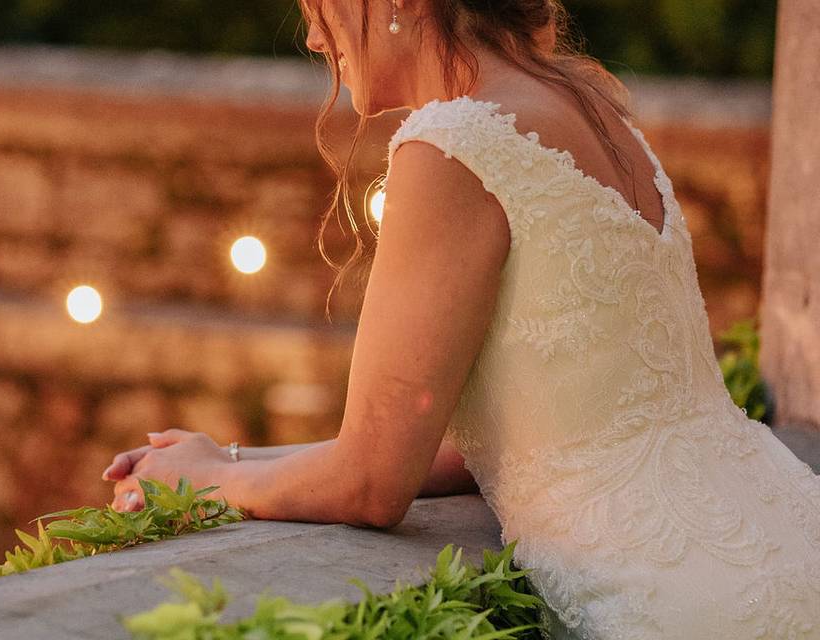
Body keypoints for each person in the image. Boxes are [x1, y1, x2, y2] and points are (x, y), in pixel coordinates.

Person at [101, 1, 820, 637]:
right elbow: (539, 434)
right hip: (787, 542)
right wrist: (226, 457)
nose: (315, 35)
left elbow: (372, 482)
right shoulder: (591, 105)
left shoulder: (453, 146)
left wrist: (206, 483)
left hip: (675, 604)